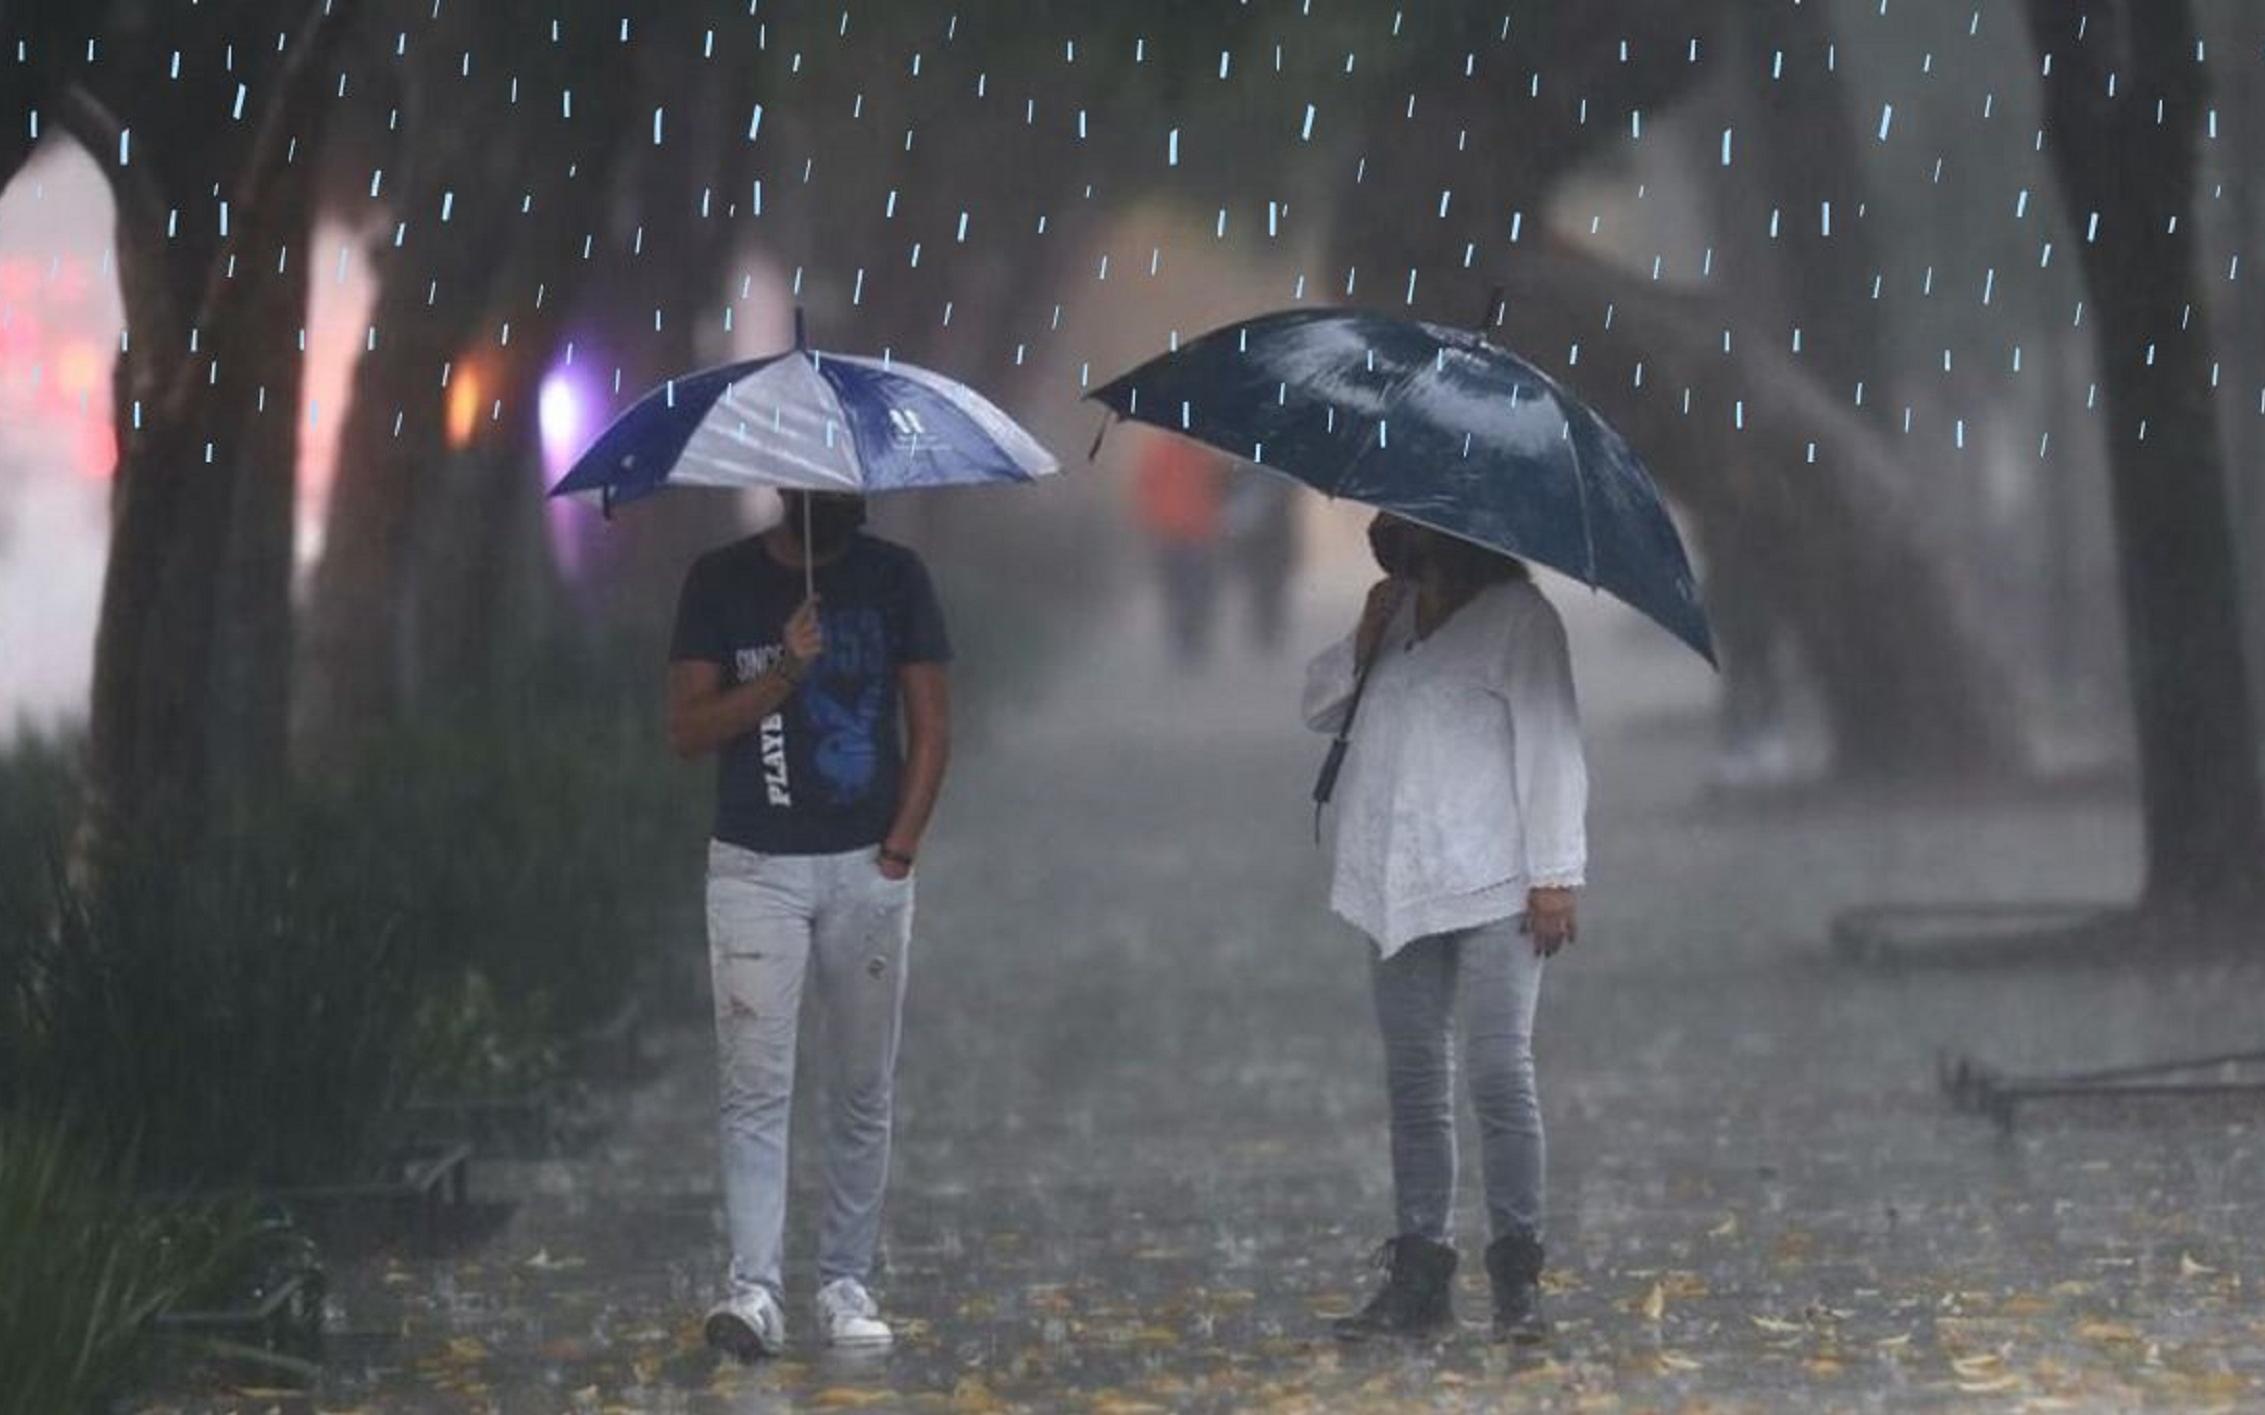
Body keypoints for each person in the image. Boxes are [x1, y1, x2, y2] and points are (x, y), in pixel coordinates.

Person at [666, 489, 952, 1360]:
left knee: (862, 1086)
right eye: (821, 487)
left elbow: (932, 726)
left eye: (850, 487)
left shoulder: (897, 578)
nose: (840, 500)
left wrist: (898, 850)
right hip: (754, 868)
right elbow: (687, 729)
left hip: (866, 864)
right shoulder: (719, 581)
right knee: (754, 1085)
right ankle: (753, 1290)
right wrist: (784, 672)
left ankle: (844, 1282)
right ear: (787, 490)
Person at [1302, 512, 1587, 1344]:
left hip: (1497, 880)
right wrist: (1362, 636)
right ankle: (1419, 1275)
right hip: (1394, 880)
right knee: (1415, 1085)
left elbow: (1552, 745)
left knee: (1499, 1074)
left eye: (1407, 524)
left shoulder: (1521, 619)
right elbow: (1317, 706)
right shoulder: (1391, 612)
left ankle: (1516, 1276)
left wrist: (1554, 874)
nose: (1388, 532)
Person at [1131, 429, 1227, 667]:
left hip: (1176, 534)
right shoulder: (1202, 456)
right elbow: (1221, 490)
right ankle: (1191, 638)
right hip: (1191, 534)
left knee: (1179, 590)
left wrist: (1151, 520)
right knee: (1194, 590)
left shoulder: (1160, 454)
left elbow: (1144, 489)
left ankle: (1185, 639)